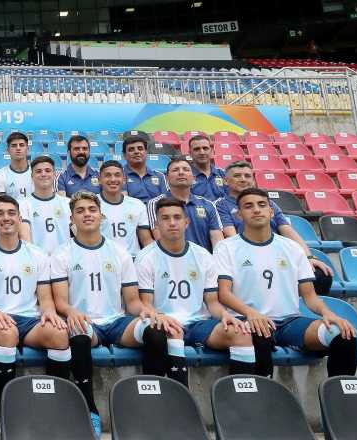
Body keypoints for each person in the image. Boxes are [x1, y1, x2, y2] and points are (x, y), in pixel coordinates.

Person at [50, 191, 175, 437]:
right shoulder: (62, 254)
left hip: (116, 322)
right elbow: (61, 302)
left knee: (157, 333)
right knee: (77, 336)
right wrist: (71, 311)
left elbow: (132, 302)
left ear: (101, 215)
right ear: (72, 218)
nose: (87, 214)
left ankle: (148, 406)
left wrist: (151, 313)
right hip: (86, 322)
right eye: (80, 210)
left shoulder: (119, 253)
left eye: (92, 210)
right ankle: (89, 410)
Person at [215, 188, 357, 378]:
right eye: (248, 206)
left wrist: (328, 313)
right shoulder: (227, 247)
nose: (256, 210)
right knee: (259, 334)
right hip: (247, 321)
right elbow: (224, 293)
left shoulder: (292, 248)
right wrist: (250, 313)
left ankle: (341, 399)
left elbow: (310, 296)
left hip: (289, 322)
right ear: (239, 215)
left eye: (262, 205)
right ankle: (262, 399)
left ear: (271, 211)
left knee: (344, 334)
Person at [136, 197, 257, 379]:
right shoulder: (145, 257)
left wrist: (225, 315)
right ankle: (180, 399)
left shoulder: (203, 255)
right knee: (172, 331)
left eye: (177, 217)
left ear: (186, 222)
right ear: (157, 225)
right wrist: (161, 317)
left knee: (241, 333)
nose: (172, 223)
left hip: (199, 323)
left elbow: (212, 302)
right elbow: (146, 304)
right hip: (167, 322)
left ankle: (241, 398)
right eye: (165, 218)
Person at [0, 195, 71, 402]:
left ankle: (56, 405)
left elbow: (45, 298)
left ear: (19, 218)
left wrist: (50, 312)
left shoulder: (38, 254)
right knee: (7, 334)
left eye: (11, 213)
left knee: (60, 334)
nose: (5, 218)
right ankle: (8, 408)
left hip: (30, 321)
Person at [212, 160, 334, 294]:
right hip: (247, 257)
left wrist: (309, 258)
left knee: (320, 275)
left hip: (277, 254)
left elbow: (287, 230)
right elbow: (231, 236)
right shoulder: (220, 205)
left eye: (247, 176)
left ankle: (309, 309)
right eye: (237, 176)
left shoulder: (269, 203)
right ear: (226, 181)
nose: (243, 179)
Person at [146, 157, 223, 252]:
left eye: (186, 169)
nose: (181, 173)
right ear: (167, 178)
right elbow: (160, 237)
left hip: (204, 263)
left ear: (193, 177)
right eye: (175, 170)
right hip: (171, 261)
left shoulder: (208, 204)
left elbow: (217, 241)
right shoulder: (155, 203)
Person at [98, 160, 152, 256]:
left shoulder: (137, 205)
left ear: (124, 179)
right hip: (103, 260)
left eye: (117, 175)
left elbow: (146, 240)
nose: (113, 179)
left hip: (132, 261)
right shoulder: (91, 204)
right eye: (108, 175)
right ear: (99, 180)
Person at [26, 156, 71, 251]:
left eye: (47, 170)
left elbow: (78, 233)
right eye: (38, 171)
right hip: (37, 261)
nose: (43, 174)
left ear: (54, 174)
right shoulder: (24, 205)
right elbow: (25, 239)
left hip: (63, 261)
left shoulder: (68, 204)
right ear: (32, 176)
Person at [0, 132, 37, 201]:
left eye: (21, 145)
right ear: (8, 150)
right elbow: (1, 205)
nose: (18, 148)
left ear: (27, 149)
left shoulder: (38, 174)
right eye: (14, 145)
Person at [120, 136, 168, 203]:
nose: (136, 152)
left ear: (146, 153)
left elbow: (166, 200)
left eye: (140, 149)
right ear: (124, 155)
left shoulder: (160, 176)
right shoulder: (119, 176)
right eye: (131, 149)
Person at [188, 135, 226, 201]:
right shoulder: (185, 176)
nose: (202, 152)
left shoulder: (223, 174)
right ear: (190, 153)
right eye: (197, 149)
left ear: (211, 151)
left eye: (205, 148)